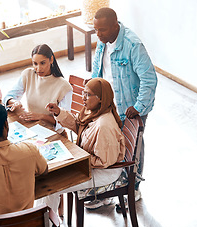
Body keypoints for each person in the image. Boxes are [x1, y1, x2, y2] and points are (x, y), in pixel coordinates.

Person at [91, 7, 158, 205]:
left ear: (115, 25)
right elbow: (98, 71)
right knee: (110, 146)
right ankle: (109, 190)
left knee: (133, 147)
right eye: (96, 30)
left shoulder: (132, 45)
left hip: (130, 107)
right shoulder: (103, 41)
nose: (98, 34)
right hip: (108, 105)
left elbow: (149, 79)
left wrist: (138, 107)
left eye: (102, 30)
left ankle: (133, 188)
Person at [42, 77, 125, 212]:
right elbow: (78, 126)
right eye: (83, 93)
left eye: (88, 94)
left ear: (100, 98)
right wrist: (58, 112)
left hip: (103, 172)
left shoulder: (104, 126)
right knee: (47, 179)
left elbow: (104, 161)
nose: (83, 98)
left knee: (50, 187)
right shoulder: (94, 112)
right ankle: (44, 223)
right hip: (88, 164)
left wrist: (75, 156)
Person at [4, 44, 72, 134]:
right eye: (35, 63)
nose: (38, 68)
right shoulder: (28, 74)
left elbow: (64, 122)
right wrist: (15, 102)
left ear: (51, 60)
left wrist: (41, 116)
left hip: (54, 133)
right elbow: (8, 97)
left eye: (42, 63)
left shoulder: (64, 86)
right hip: (34, 128)